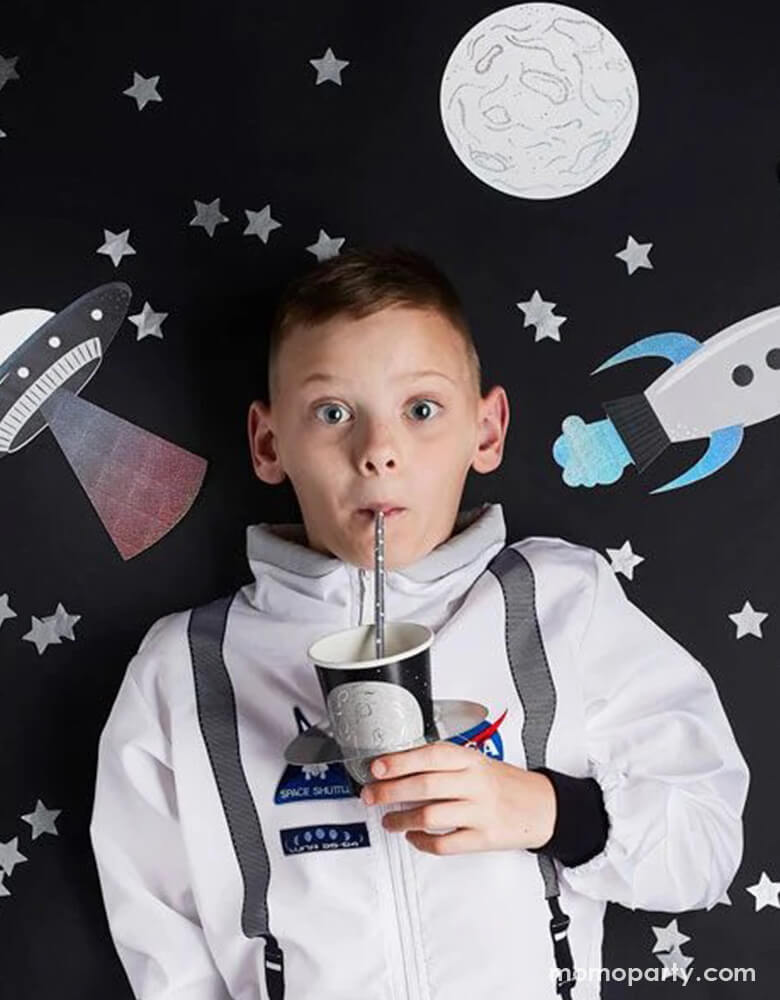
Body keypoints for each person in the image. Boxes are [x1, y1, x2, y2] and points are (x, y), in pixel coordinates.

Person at [89, 246, 750, 1000]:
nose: (378, 452)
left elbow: (706, 849)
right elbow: (162, 949)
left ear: (487, 430)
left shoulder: (565, 600)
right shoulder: (184, 669)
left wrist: (543, 808)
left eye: (421, 410)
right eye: (332, 412)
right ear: (270, 444)